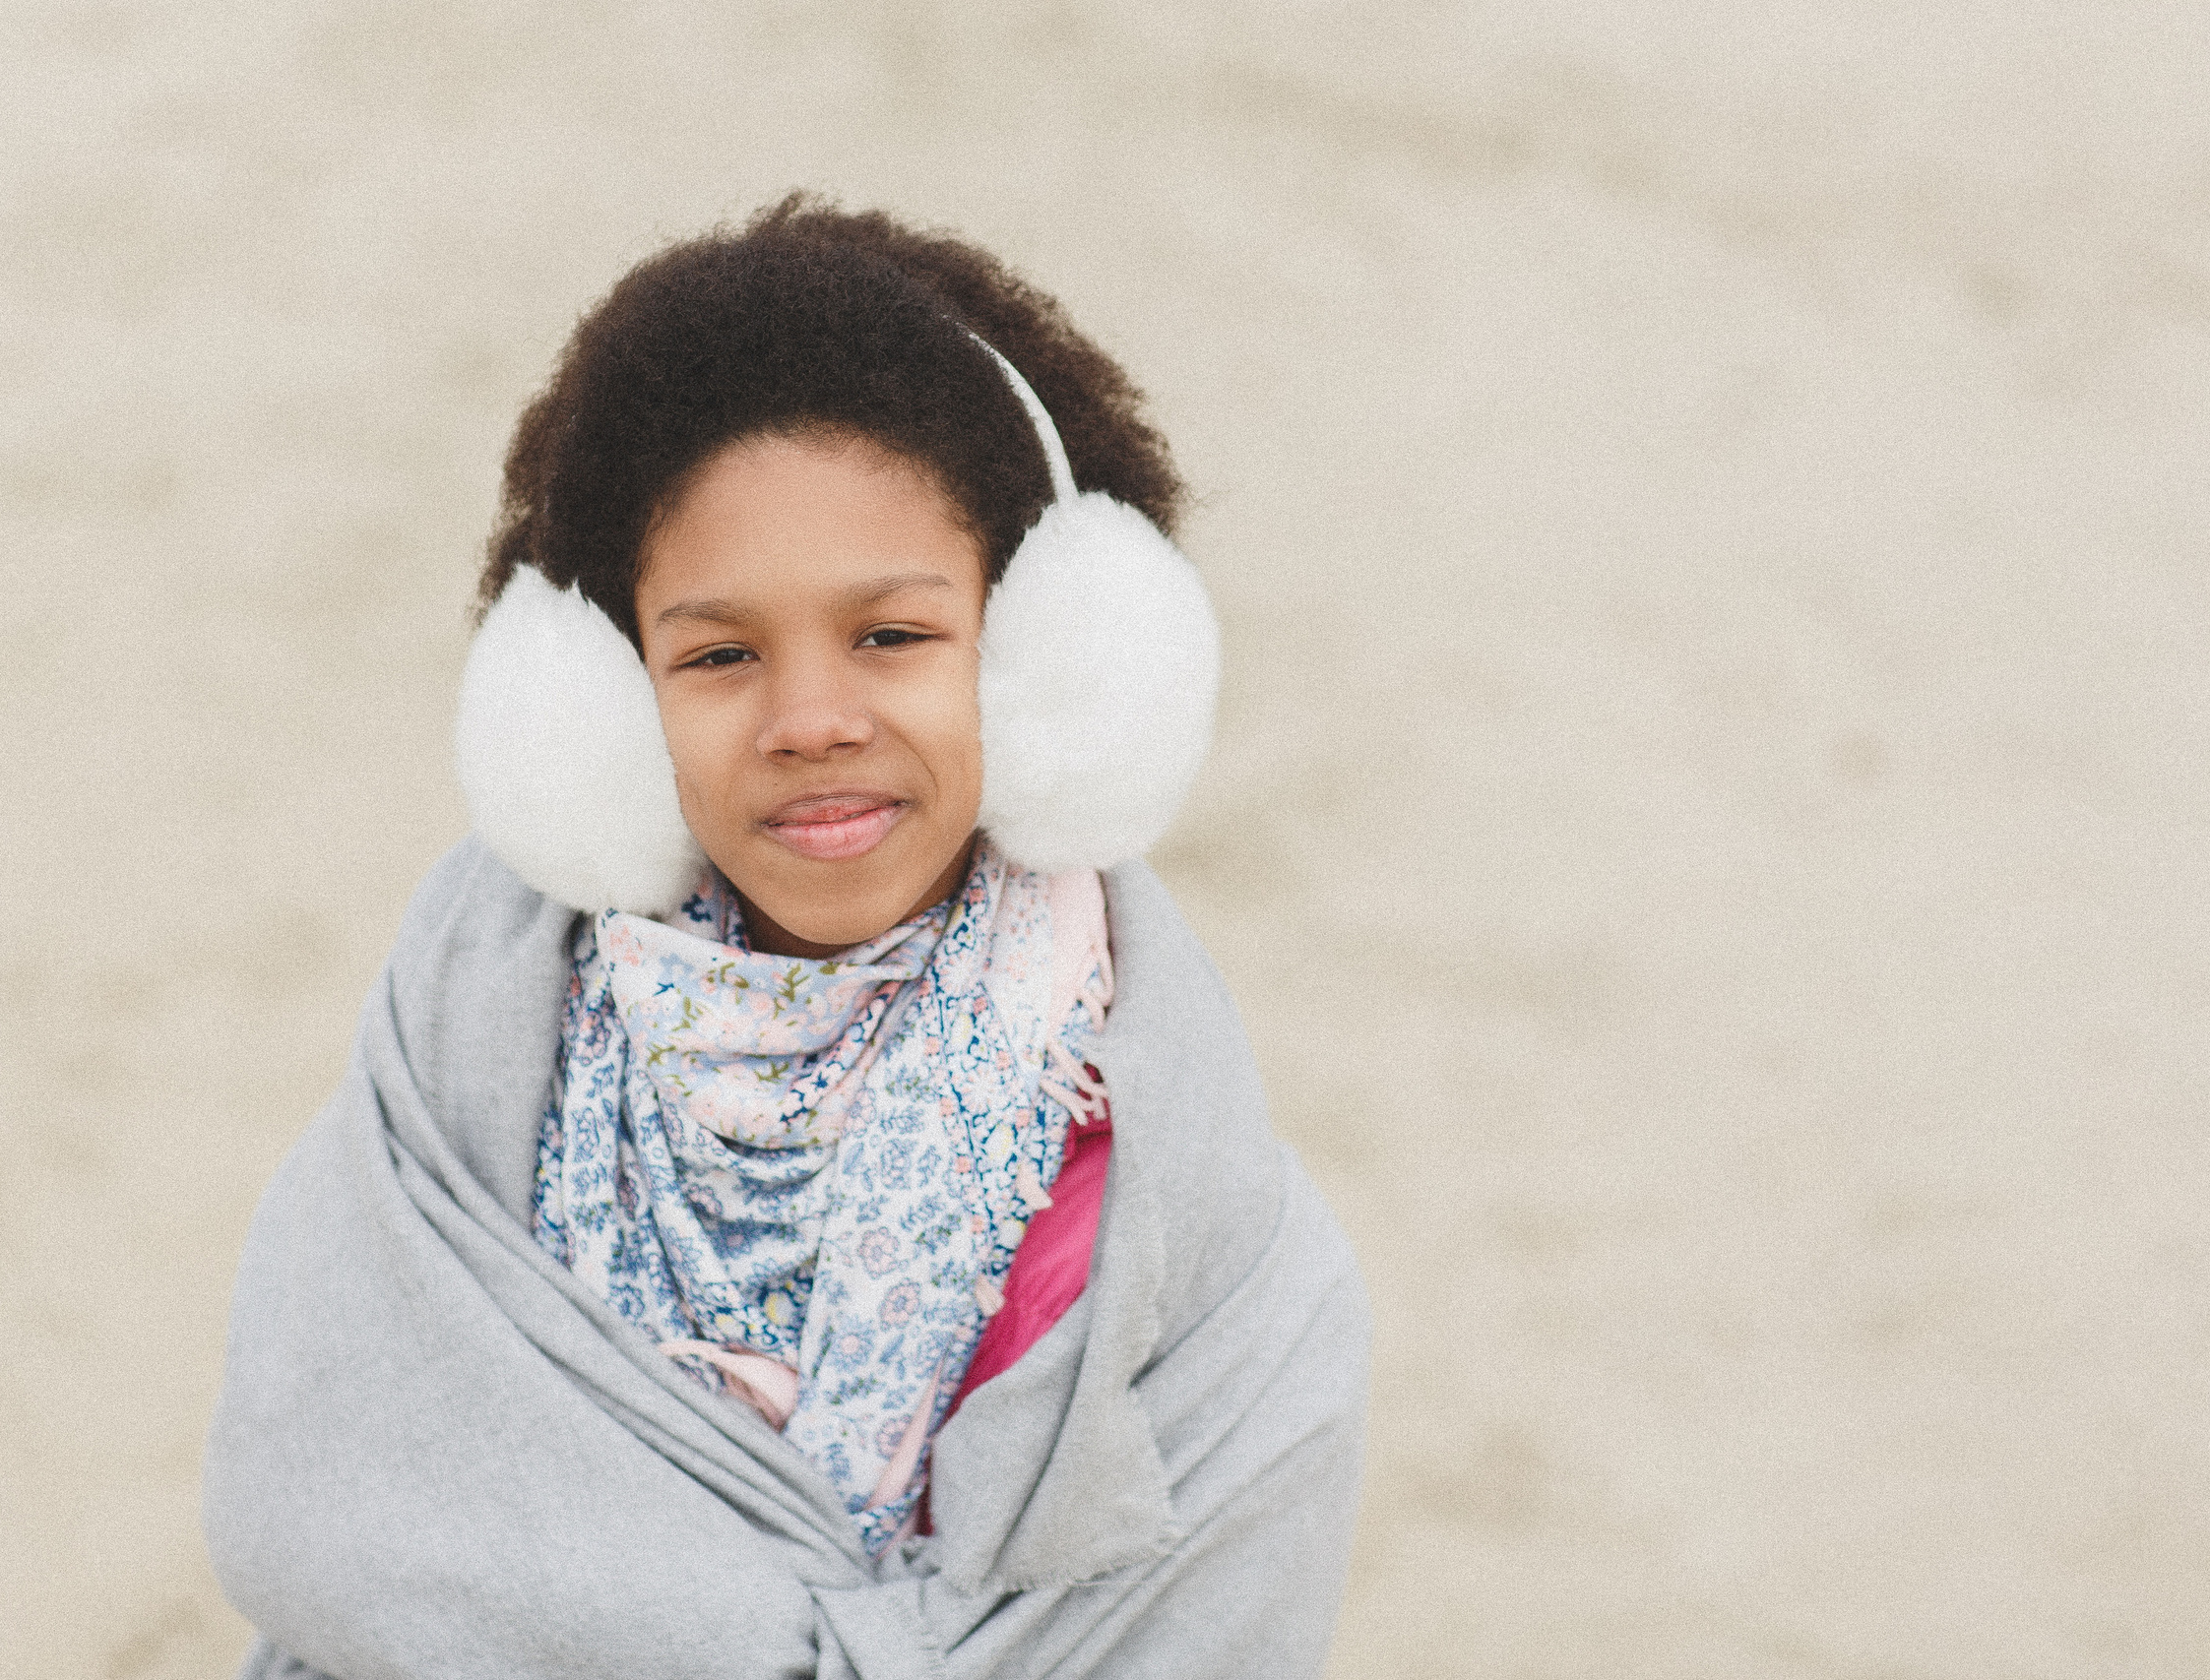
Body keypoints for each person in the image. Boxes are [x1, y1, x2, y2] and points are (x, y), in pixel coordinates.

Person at [203, 196, 1370, 1680]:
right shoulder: (464, 1072)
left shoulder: (1181, 1219)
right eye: (718, 655)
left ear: (1048, 657)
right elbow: (324, 1502)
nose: (813, 720)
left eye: (892, 636)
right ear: (604, 712)